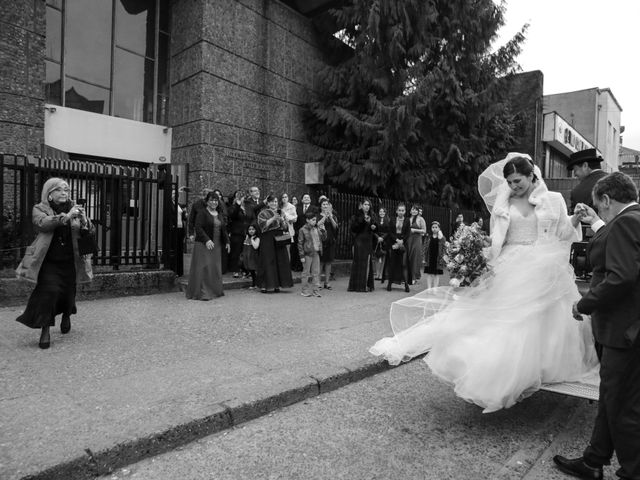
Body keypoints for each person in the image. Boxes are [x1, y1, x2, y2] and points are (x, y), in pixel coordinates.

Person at [370, 153, 599, 413]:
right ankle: (487, 370)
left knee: (541, 323)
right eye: (510, 182)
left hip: (544, 265)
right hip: (510, 265)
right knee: (497, 321)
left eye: (518, 181)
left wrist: (575, 220)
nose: (514, 187)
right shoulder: (503, 205)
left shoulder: (554, 200)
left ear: (531, 175)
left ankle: (533, 369)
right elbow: (497, 240)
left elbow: (563, 234)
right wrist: (480, 262)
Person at [553, 172, 640, 480]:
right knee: (611, 398)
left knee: (623, 408)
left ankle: (633, 472)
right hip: (623, 329)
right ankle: (593, 460)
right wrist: (598, 224)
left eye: (599, 207)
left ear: (606, 200)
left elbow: (621, 276)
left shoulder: (628, 221)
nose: (600, 212)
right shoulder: (630, 220)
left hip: (625, 331)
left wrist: (584, 303)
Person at [15, 178, 94, 349]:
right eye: (59, 190)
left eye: (66, 190)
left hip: (70, 260)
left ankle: (67, 315)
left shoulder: (75, 208)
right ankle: (45, 330)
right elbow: (42, 224)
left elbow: (89, 230)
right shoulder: (39, 209)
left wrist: (85, 220)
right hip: (48, 261)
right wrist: (66, 216)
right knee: (48, 292)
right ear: (49, 194)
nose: (64, 193)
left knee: (68, 292)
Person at [568, 148, 607, 279]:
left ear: (585, 166)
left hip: (586, 251)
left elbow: (575, 220)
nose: (575, 175)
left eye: (575, 170)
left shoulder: (578, 191)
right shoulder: (616, 181)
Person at [185, 192, 229, 300]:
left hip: (217, 244)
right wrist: (207, 240)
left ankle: (214, 290)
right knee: (204, 268)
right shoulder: (202, 213)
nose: (214, 202)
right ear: (207, 201)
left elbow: (223, 229)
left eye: (216, 200)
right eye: (212, 200)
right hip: (204, 244)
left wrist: (227, 242)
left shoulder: (219, 213)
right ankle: (203, 293)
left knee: (214, 268)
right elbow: (198, 228)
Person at [256, 195, 294, 293]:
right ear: (268, 203)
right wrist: (273, 218)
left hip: (279, 237)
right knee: (267, 261)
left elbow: (285, 227)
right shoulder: (263, 213)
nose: (274, 203)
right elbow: (262, 226)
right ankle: (265, 285)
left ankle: (277, 284)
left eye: (276, 201)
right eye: (272, 202)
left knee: (280, 260)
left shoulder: (281, 212)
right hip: (267, 238)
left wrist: (282, 220)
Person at [347, 198, 379, 292]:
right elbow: (354, 228)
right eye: (365, 204)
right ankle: (358, 286)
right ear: (362, 205)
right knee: (359, 261)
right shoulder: (357, 215)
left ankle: (367, 285)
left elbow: (377, 228)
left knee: (367, 261)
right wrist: (363, 221)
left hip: (368, 241)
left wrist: (374, 227)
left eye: (368, 205)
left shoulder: (372, 215)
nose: (367, 206)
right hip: (359, 240)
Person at [298, 211, 327, 297]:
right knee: (306, 273)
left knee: (316, 273)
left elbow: (323, 239)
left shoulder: (317, 228)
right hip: (307, 254)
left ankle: (316, 290)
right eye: (313, 220)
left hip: (316, 253)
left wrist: (324, 231)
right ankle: (304, 290)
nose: (315, 221)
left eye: (315, 220)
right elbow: (300, 243)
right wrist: (301, 255)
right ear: (307, 220)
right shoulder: (302, 230)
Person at [383, 203, 411, 293]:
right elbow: (390, 232)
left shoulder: (407, 220)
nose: (401, 212)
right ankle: (390, 283)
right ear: (396, 211)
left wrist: (402, 241)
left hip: (403, 244)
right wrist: (396, 240)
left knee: (404, 264)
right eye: (399, 210)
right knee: (392, 263)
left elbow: (408, 232)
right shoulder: (392, 219)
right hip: (393, 243)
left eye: (403, 210)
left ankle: (406, 284)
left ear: (405, 211)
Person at [227, 190, 252, 278]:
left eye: (242, 197)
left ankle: (244, 270)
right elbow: (233, 215)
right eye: (240, 197)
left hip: (245, 233)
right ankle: (235, 270)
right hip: (236, 233)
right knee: (236, 252)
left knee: (244, 252)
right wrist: (237, 205)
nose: (242, 199)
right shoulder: (233, 207)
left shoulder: (246, 207)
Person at [317, 198, 338, 289]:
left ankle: (327, 282)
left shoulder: (332, 215)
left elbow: (335, 227)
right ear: (321, 206)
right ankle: (318, 283)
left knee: (329, 262)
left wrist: (330, 217)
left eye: (327, 204)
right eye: (324, 204)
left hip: (330, 241)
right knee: (320, 262)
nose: (325, 206)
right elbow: (317, 224)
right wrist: (325, 216)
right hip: (321, 241)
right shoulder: (318, 215)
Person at [406, 204, 427, 284]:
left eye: (416, 210)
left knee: (414, 258)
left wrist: (415, 230)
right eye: (413, 209)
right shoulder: (408, 219)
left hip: (417, 240)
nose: (414, 211)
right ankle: (407, 276)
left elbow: (424, 231)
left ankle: (413, 278)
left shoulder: (421, 219)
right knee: (408, 257)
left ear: (418, 211)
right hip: (408, 240)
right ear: (410, 211)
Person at [423, 220, 445, 289]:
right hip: (430, 257)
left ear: (439, 228)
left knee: (436, 274)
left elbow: (444, 246)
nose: (434, 229)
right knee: (429, 274)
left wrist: (443, 258)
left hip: (437, 258)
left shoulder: (442, 238)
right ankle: (429, 288)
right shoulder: (428, 237)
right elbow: (425, 247)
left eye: (436, 227)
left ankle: (435, 288)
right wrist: (424, 258)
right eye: (433, 227)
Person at [242, 223, 260, 289]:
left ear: (256, 230)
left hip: (254, 258)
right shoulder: (247, 238)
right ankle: (254, 284)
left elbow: (256, 247)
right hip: (248, 258)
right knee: (251, 272)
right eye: (249, 229)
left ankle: (255, 284)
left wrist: (252, 240)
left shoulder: (257, 238)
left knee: (254, 272)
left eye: (253, 229)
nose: (251, 231)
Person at [375, 207, 391, 281]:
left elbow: (389, 232)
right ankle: (377, 274)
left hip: (385, 241)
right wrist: (378, 237)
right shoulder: (376, 220)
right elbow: (373, 230)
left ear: (385, 212)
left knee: (383, 257)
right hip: (377, 240)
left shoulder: (388, 220)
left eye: (383, 211)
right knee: (377, 257)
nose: (381, 213)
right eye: (380, 211)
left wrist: (382, 238)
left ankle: (381, 274)